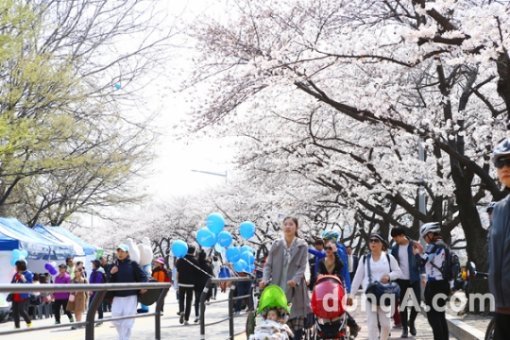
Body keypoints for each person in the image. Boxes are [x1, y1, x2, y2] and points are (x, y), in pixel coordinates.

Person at [260, 216, 311, 340]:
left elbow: (302, 267)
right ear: (282, 227)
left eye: (291, 224)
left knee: (295, 331)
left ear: (296, 227)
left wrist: (295, 279)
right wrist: (265, 279)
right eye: (286, 224)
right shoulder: (276, 244)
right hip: (277, 290)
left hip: (295, 290)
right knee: (277, 328)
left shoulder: (302, 245)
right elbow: (268, 265)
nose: (288, 226)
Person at [348, 233, 402, 340]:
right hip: (370, 295)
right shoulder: (364, 259)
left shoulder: (388, 257)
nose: (373, 243)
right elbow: (358, 277)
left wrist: (389, 276)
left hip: (385, 294)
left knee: (386, 325)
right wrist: (352, 294)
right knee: (372, 324)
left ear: (382, 244)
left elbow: (398, 272)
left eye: (376, 241)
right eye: (371, 241)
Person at [489, 138, 510, 340]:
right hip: (502, 308)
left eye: (509, 161)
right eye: (500, 162)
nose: (505, 167)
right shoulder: (499, 209)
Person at [317, 240, 361, 337]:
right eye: (326, 248)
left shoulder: (338, 261)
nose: (328, 250)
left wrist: (336, 253)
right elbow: (319, 273)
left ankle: (353, 325)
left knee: (340, 309)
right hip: (324, 288)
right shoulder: (321, 262)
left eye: (330, 248)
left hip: (336, 287)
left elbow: (341, 266)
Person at [417, 222, 450, 340]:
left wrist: (417, 253)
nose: (425, 239)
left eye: (425, 236)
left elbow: (421, 262)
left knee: (433, 317)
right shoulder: (444, 245)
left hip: (434, 286)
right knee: (441, 316)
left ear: (430, 234)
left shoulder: (433, 246)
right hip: (444, 284)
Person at [390, 227, 424, 338]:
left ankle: (412, 322)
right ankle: (405, 329)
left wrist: (423, 275)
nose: (395, 240)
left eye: (396, 238)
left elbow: (421, 262)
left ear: (402, 235)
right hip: (401, 280)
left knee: (417, 304)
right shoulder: (395, 249)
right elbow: (392, 266)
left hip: (414, 279)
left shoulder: (415, 245)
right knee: (403, 305)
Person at [109, 243, 148, 340]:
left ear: (127, 253)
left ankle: (124, 338)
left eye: (122, 251)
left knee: (128, 320)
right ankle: (123, 337)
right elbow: (109, 281)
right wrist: (111, 273)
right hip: (117, 296)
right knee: (115, 318)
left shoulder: (133, 264)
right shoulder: (113, 265)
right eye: (118, 251)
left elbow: (143, 276)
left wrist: (143, 286)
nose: (120, 253)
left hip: (131, 295)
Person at [176, 245, 200, 325]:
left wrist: (177, 283)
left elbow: (177, 273)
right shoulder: (195, 261)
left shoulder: (180, 260)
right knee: (189, 301)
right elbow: (197, 274)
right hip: (190, 284)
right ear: (194, 251)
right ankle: (186, 319)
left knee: (181, 299)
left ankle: (181, 311)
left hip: (181, 283)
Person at [10, 260, 33, 329]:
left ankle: (29, 323)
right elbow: (12, 282)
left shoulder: (28, 273)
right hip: (15, 295)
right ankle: (17, 326)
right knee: (15, 311)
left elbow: (29, 284)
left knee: (22, 310)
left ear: (20, 266)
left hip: (23, 295)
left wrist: (23, 278)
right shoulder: (16, 274)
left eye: (16, 266)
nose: (15, 267)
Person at [194, 250, 213, 322]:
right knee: (203, 301)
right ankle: (201, 315)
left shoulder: (196, 265)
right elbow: (211, 276)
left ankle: (197, 315)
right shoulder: (208, 266)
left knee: (197, 300)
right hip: (205, 285)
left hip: (197, 285)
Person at [89, 259, 106, 324]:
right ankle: (90, 320)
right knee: (92, 307)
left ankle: (100, 320)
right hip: (93, 292)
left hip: (97, 292)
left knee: (98, 306)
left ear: (95, 265)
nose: (92, 264)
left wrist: (92, 290)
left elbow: (98, 283)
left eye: (93, 263)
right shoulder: (94, 272)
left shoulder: (99, 272)